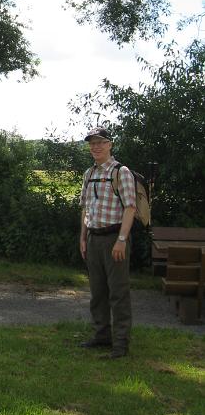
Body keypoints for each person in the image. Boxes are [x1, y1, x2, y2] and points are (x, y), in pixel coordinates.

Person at [79, 127, 136, 358]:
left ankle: (120, 344)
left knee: (118, 292)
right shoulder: (89, 173)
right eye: (92, 143)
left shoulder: (121, 172)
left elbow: (130, 208)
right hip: (93, 238)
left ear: (110, 144)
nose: (96, 147)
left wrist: (121, 240)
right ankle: (102, 335)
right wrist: (83, 237)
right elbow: (85, 208)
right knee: (98, 292)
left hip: (115, 238)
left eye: (100, 142)